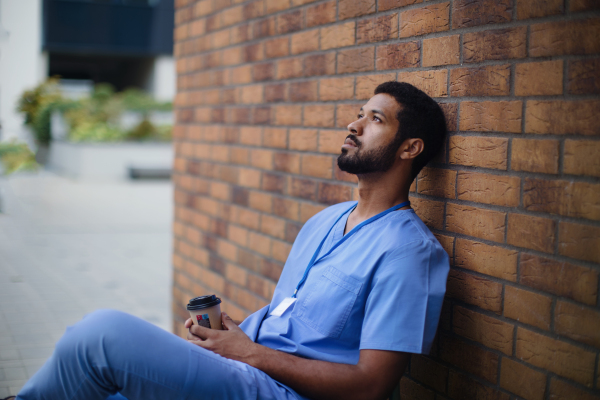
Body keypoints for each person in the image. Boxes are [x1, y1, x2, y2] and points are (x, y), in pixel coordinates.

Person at [13, 81, 449, 400]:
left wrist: (251, 354)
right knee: (99, 390)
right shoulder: (325, 221)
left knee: (101, 337)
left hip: (279, 390)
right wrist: (236, 335)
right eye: (360, 112)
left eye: (375, 119)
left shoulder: (410, 252)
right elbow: (294, 319)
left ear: (410, 148)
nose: (353, 125)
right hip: (246, 367)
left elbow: (372, 386)